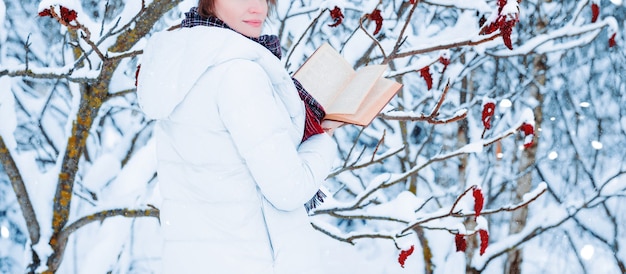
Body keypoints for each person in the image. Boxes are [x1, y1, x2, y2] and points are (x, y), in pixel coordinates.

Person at [136, 0, 342, 273]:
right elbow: (289, 189)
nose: (257, 8)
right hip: (253, 262)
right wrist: (323, 140)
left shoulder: (182, 66)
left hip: (193, 260)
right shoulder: (239, 74)